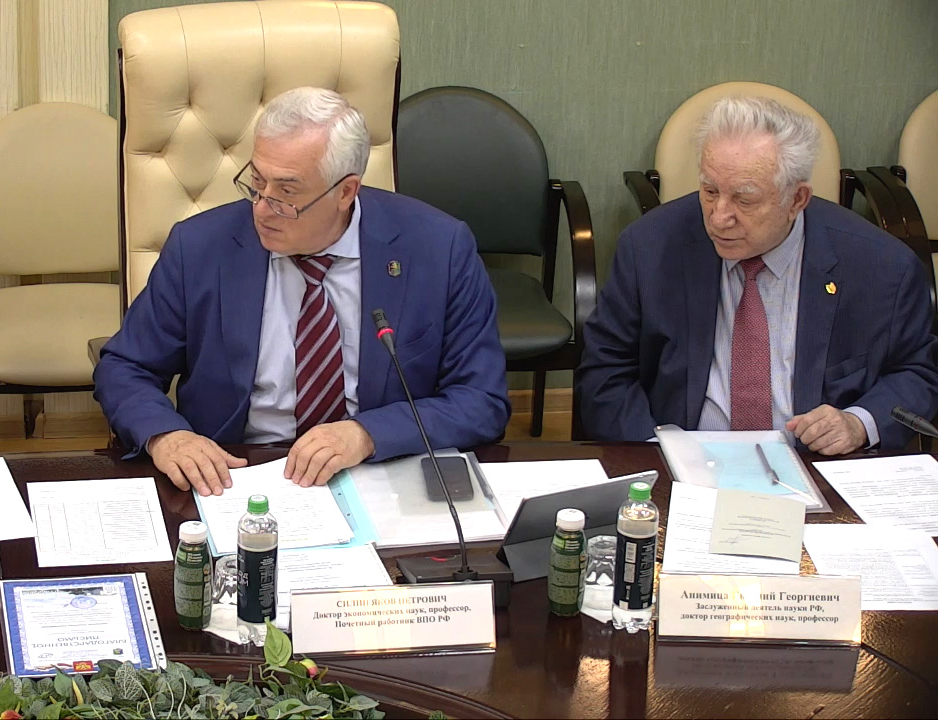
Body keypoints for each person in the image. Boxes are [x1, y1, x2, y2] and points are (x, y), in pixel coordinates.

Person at [96, 87, 509, 496]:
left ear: (345, 192)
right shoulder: (200, 248)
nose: (262, 208)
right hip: (235, 474)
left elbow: (481, 400)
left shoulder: (439, 248)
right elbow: (125, 367)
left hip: (378, 472)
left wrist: (368, 433)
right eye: (257, 181)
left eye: (287, 192)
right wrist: (166, 436)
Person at [577, 96, 938, 452]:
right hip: (683, 459)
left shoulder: (881, 267)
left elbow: (919, 372)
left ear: (797, 199)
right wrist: (657, 451)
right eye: (710, 191)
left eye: (744, 199)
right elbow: (604, 371)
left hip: (814, 463)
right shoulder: (649, 247)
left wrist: (858, 423)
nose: (719, 217)